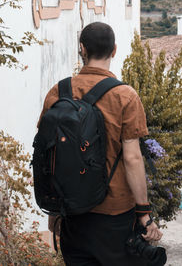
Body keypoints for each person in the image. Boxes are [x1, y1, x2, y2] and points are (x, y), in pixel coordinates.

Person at [38, 22, 163, 265]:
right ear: (114, 50)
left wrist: (54, 209)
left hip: (72, 211)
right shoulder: (125, 96)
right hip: (113, 211)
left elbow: (46, 152)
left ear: (81, 49)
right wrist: (144, 214)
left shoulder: (58, 91)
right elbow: (132, 158)